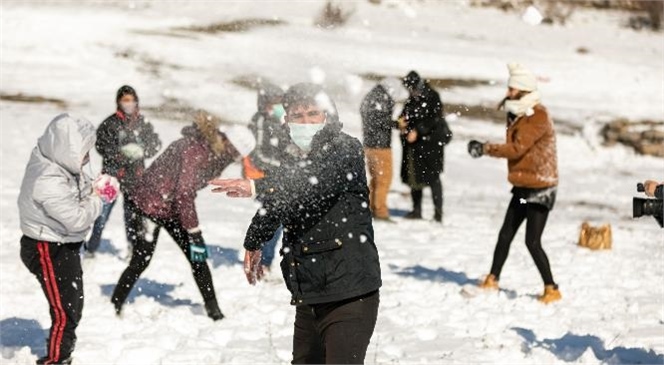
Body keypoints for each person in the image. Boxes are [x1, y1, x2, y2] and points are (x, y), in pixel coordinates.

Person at [210, 83, 382, 364]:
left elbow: (310, 184)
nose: (305, 122)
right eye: (297, 116)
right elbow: (279, 202)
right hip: (309, 296)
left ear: (328, 115)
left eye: (313, 114)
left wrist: (254, 186)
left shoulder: (345, 148)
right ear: (286, 120)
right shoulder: (291, 157)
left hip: (350, 295)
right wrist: (255, 240)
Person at [110, 113, 256, 320]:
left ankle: (215, 312)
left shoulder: (216, 153)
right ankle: (115, 304)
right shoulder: (196, 150)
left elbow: (183, 193)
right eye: (235, 153)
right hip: (147, 205)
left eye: (238, 156)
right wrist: (194, 231)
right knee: (141, 259)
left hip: (171, 207)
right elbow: (184, 193)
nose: (234, 159)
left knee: (198, 257)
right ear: (227, 141)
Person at [18, 114, 118, 365]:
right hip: (47, 248)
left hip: (63, 245)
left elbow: (79, 189)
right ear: (67, 150)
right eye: (83, 153)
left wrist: (96, 185)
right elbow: (76, 219)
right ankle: (56, 360)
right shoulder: (47, 180)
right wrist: (98, 197)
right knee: (66, 310)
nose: (87, 158)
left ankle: (60, 354)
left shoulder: (60, 162)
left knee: (72, 306)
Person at [468, 63, 561, 304]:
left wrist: (486, 148)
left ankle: (552, 288)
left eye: (512, 89)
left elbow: (517, 148)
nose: (508, 93)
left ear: (523, 90)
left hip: (541, 189)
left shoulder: (537, 115)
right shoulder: (519, 113)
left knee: (532, 241)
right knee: (506, 233)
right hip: (523, 189)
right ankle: (493, 278)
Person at [87, 85, 161, 254]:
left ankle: (133, 250)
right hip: (111, 177)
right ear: (119, 102)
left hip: (135, 178)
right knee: (101, 216)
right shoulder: (110, 123)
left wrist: (142, 150)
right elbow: (100, 144)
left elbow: (155, 143)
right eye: (125, 100)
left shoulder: (143, 123)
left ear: (136, 101)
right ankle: (91, 248)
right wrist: (120, 154)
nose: (129, 104)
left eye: (131, 100)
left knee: (133, 219)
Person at [244, 82, 289, 273]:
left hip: (277, 177)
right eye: (274, 103)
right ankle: (262, 262)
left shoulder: (278, 121)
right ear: (264, 104)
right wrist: (282, 165)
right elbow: (257, 155)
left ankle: (263, 259)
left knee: (277, 219)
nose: (279, 107)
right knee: (273, 219)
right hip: (261, 176)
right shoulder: (260, 122)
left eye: (281, 102)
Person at [398, 71, 452, 222]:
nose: (410, 91)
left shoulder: (432, 96)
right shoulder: (412, 98)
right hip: (414, 147)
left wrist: (418, 131)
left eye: (412, 88)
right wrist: (403, 124)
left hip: (431, 145)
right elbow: (405, 116)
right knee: (414, 178)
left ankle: (438, 213)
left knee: (434, 178)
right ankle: (416, 210)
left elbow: (434, 119)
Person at [360, 79, 398, 221]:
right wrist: (395, 123)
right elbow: (379, 120)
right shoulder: (380, 98)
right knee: (384, 179)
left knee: (376, 178)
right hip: (380, 146)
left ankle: (370, 207)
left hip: (370, 144)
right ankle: (380, 211)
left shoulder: (371, 96)